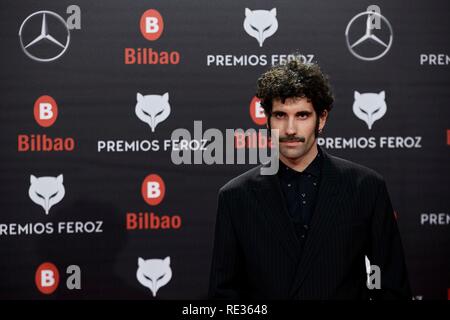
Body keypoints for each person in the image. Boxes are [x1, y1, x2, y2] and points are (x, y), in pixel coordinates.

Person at [208, 58, 411, 299]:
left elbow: (391, 286)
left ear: (321, 118)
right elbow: (224, 295)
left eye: (302, 115)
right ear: (268, 120)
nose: (290, 129)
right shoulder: (235, 197)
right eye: (281, 115)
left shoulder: (366, 188)